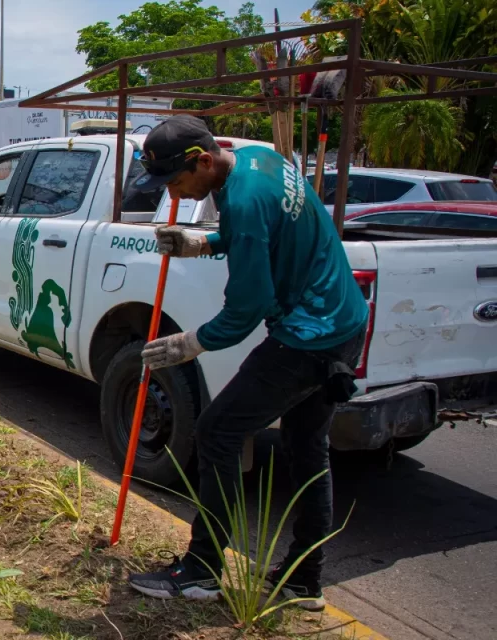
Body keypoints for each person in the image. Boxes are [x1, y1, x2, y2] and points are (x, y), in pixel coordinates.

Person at [123, 115, 368, 611]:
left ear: (203, 161)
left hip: (307, 335)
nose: (176, 192)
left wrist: (190, 343)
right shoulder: (260, 159)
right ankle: (303, 581)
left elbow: (247, 307)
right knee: (308, 447)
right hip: (343, 321)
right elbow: (267, 233)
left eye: (176, 180)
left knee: (218, 432)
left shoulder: (243, 198)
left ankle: (203, 570)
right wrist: (205, 241)